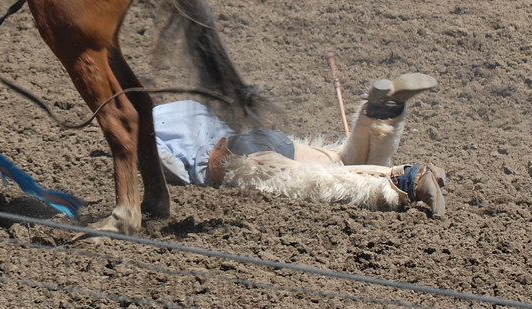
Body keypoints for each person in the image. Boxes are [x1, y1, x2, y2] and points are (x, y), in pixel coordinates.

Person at [153, 73, 447, 215]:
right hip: (265, 140)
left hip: (235, 159)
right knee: (339, 162)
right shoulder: (187, 106)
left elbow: (167, 165)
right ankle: (381, 115)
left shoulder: (143, 130)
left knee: (323, 182)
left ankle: (410, 179)